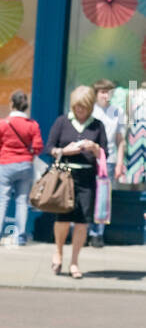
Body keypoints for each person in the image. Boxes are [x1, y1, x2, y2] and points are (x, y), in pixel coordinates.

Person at [45, 85, 108, 279]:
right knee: (63, 219)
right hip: (65, 178)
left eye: (83, 107)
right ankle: (58, 252)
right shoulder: (62, 122)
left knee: (82, 222)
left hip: (87, 178)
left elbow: (105, 152)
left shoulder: (97, 125)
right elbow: (49, 148)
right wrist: (64, 151)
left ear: (89, 107)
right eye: (77, 107)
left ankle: (74, 262)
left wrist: (95, 148)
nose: (80, 110)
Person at [0, 90, 44, 246]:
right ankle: (20, 237)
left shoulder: (2, 123)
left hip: (6, 163)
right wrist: (30, 155)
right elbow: (39, 147)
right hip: (26, 165)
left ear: (11, 104)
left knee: (2, 202)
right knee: (22, 202)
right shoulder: (32, 125)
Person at [87, 79, 126, 248]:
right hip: (88, 159)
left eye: (109, 92)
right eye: (103, 92)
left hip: (108, 161)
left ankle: (97, 234)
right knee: (86, 195)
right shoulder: (90, 111)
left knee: (103, 198)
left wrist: (119, 163)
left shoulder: (118, 112)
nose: (106, 95)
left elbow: (120, 140)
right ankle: (83, 230)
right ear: (96, 94)